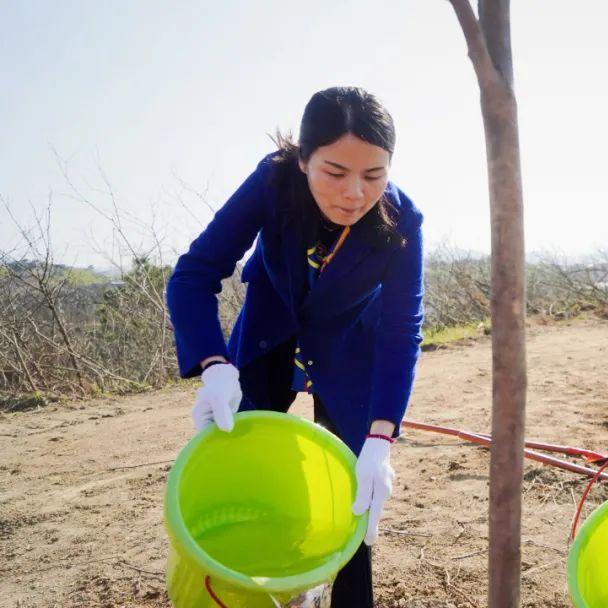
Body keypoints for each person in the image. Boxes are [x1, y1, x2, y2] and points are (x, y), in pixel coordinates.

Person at [166, 86, 424, 606]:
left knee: (355, 494)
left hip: (350, 346)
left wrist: (381, 436)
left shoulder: (402, 223)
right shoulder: (273, 183)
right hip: (270, 329)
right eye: (335, 172)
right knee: (249, 462)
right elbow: (193, 275)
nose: (355, 193)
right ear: (304, 159)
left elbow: (402, 328)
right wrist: (215, 364)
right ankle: (260, 584)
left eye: (374, 175)